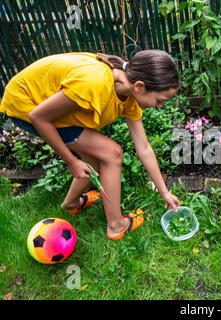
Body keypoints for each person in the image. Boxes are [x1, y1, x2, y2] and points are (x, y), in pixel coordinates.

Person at [0, 50, 182, 240]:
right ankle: (116, 225)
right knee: (112, 154)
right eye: (160, 101)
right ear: (139, 86)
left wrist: (165, 193)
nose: (160, 106)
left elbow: (144, 148)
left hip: (44, 107)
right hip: (26, 104)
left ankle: (71, 205)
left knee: (97, 158)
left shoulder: (128, 96)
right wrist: (71, 161)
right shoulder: (95, 83)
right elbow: (39, 117)